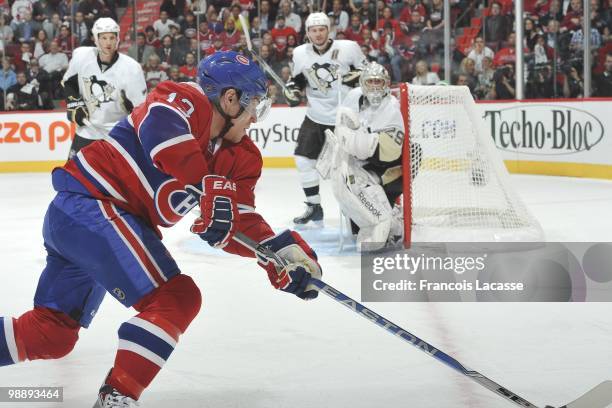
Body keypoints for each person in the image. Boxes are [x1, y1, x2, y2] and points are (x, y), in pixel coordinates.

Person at [0, 50, 322, 408]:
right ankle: (117, 397)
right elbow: (161, 131)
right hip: (93, 204)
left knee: (51, 334)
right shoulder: (187, 99)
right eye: (254, 104)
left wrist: (279, 252)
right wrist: (204, 185)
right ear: (231, 99)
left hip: (88, 222)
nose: (255, 117)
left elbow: (238, 220)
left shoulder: (242, 158)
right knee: (176, 297)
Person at [322, 62, 420, 251]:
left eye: (379, 82)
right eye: (371, 81)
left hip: (381, 166)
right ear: (362, 83)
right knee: (352, 214)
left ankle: (390, 213)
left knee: (414, 154)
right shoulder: (353, 96)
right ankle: (376, 214)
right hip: (358, 161)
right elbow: (341, 128)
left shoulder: (391, 106)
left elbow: (384, 153)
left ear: (386, 84)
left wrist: (352, 137)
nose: (375, 86)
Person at [284, 12, 366, 227]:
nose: (318, 34)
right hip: (316, 116)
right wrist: (292, 91)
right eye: (313, 30)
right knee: (303, 160)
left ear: (329, 30)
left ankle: (355, 210)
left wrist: (357, 76)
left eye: (322, 29)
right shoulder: (300, 53)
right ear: (308, 33)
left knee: (350, 169)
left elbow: (369, 72)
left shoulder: (348, 48)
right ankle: (314, 207)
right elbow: (298, 80)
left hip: (345, 116)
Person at [62, 17, 147, 159]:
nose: (108, 42)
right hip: (87, 132)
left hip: (118, 136)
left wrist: (131, 111)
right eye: (103, 38)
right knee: (72, 177)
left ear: (118, 39)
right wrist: (75, 105)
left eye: (112, 38)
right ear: (95, 39)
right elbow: (69, 83)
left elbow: (142, 109)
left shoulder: (132, 68)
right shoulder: (81, 57)